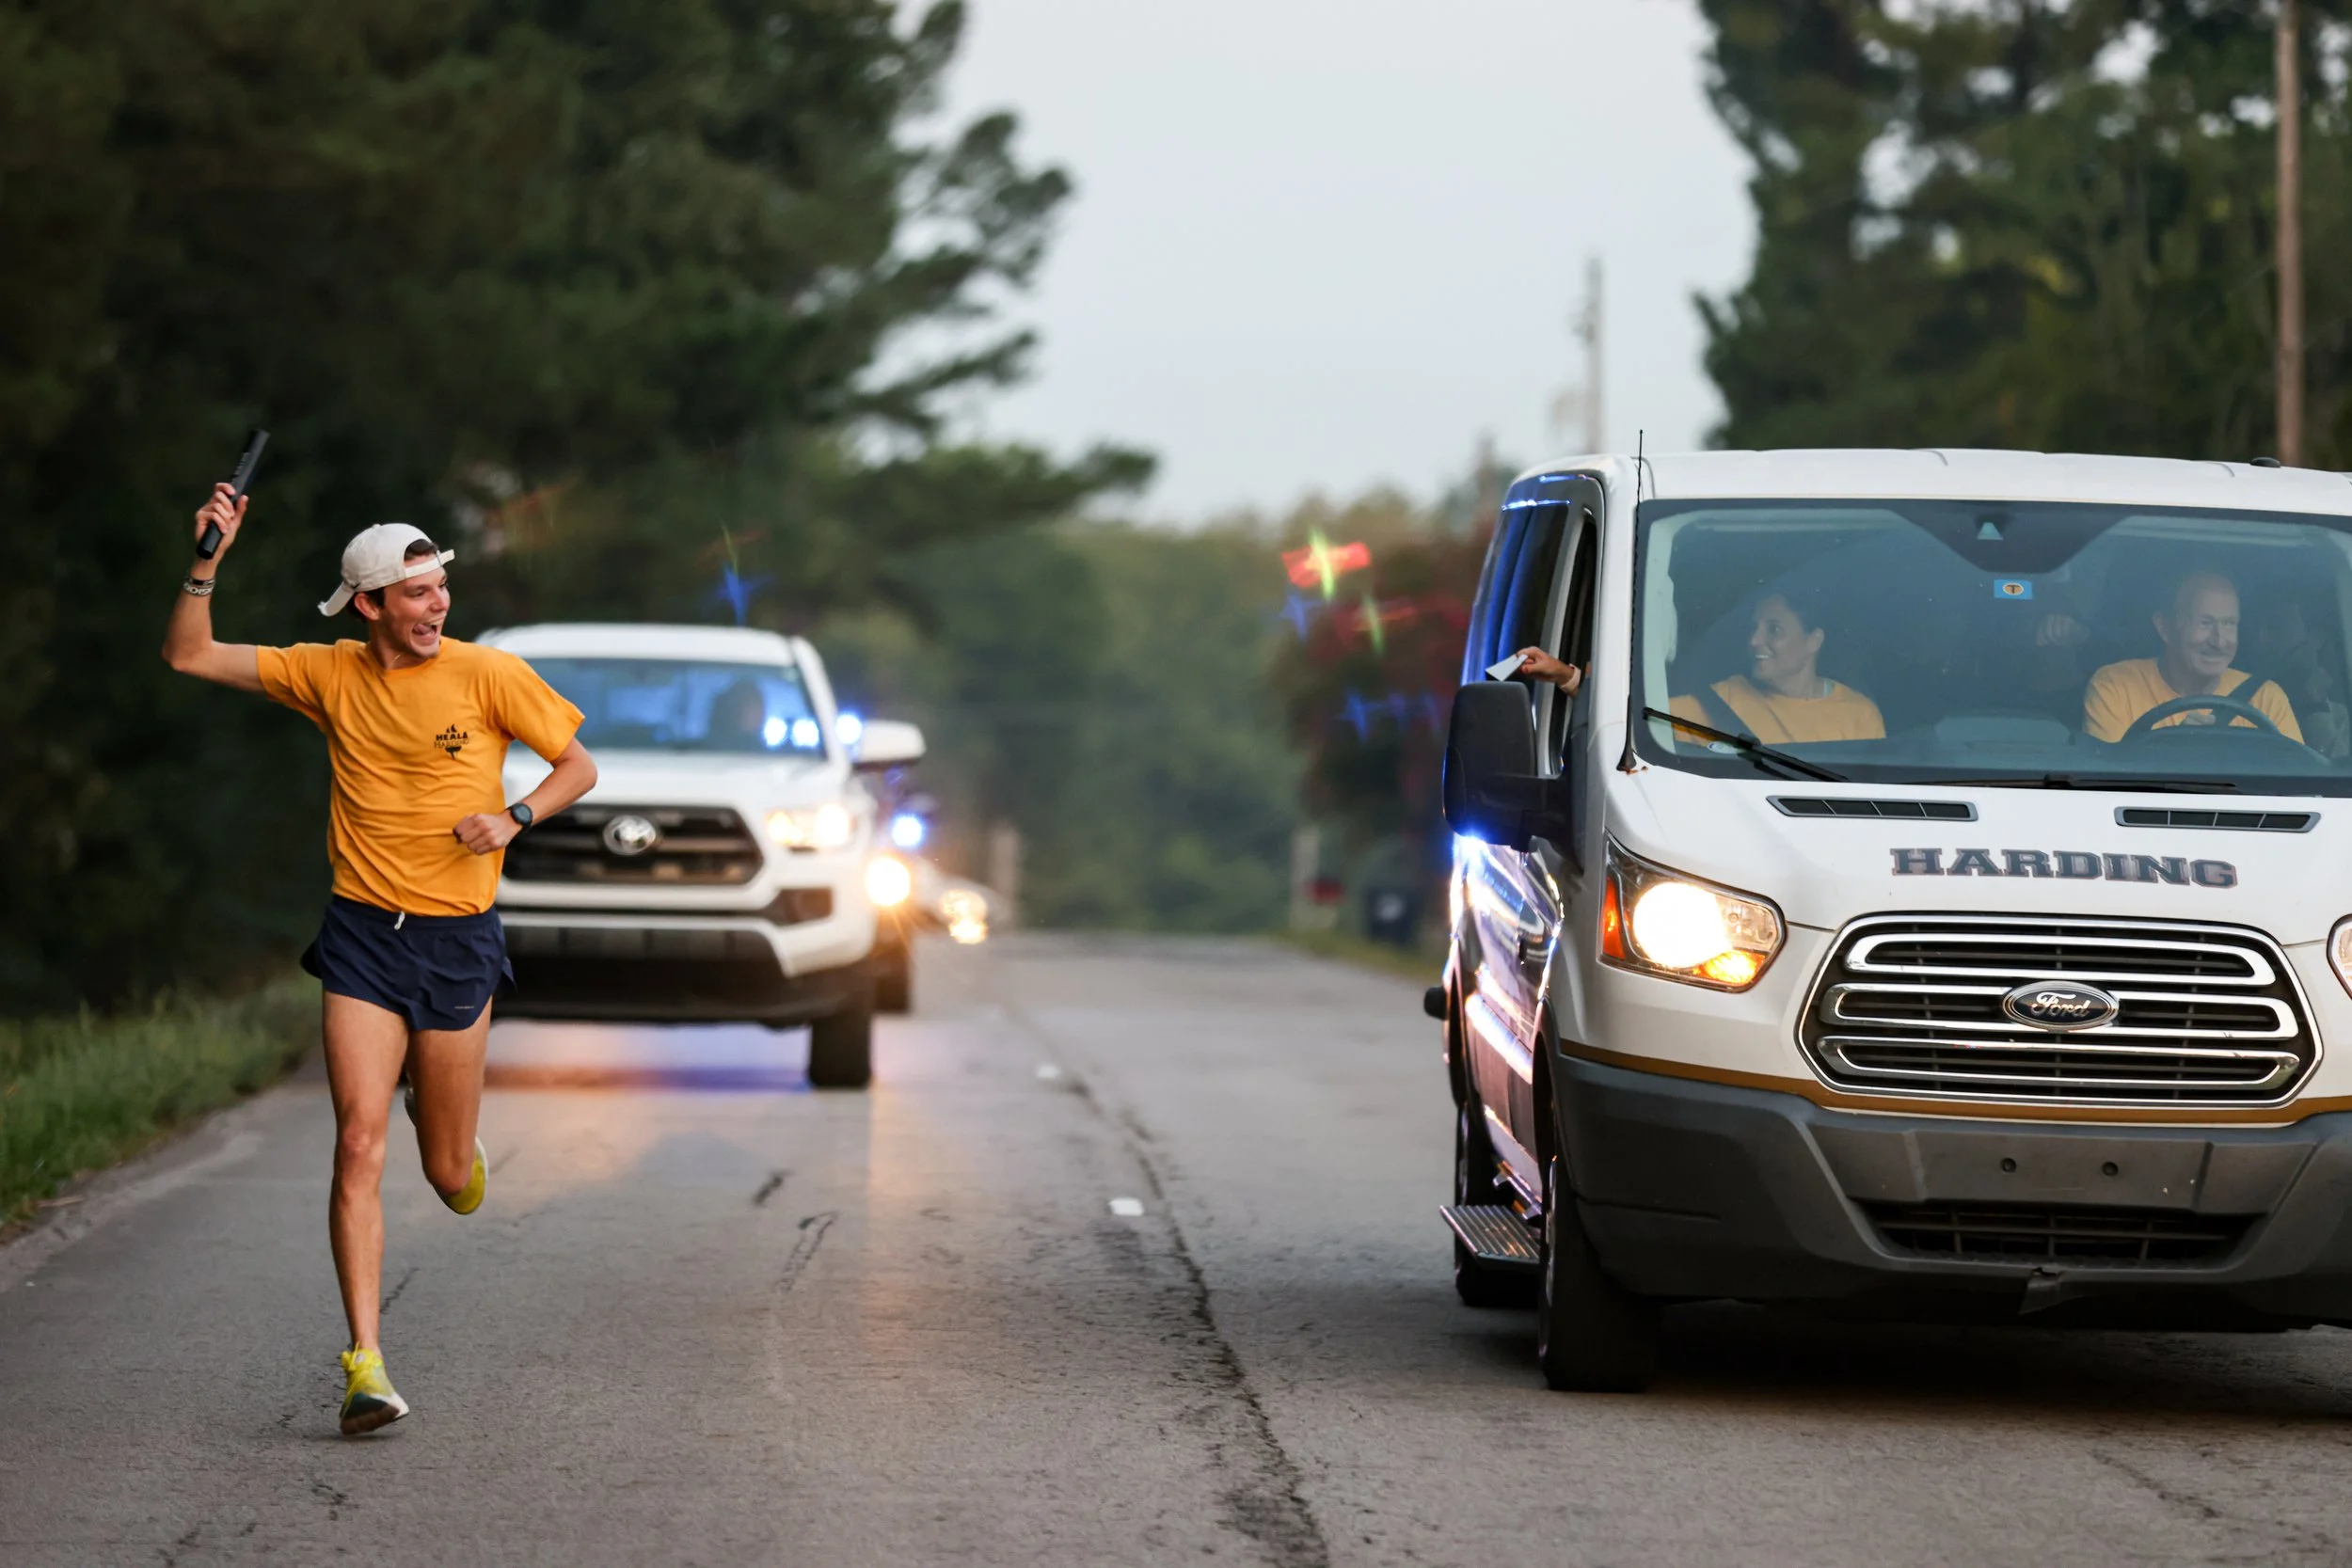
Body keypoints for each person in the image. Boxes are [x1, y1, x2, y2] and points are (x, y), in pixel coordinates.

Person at [163, 483, 599, 1434]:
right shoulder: (326, 674)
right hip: (363, 934)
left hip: (458, 940)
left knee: (448, 1176)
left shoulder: (489, 673)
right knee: (357, 1142)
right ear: (368, 605)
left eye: (439, 586)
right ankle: (365, 1363)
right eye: (415, 592)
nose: (436, 603)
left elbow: (578, 765)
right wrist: (208, 558)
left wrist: (515, 815)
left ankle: (443, 1130)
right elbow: (187, 653)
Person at [2083, 571, 2302, 743]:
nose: (2219, 641)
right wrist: (2175, 750)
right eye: (2205, 623)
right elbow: (2109, 790)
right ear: (2165, 628)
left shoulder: (2266, 698)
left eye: (2229, 624)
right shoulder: (2116, 686)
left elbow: (2295, 790)